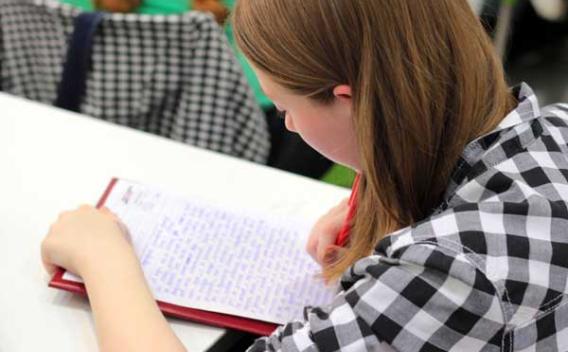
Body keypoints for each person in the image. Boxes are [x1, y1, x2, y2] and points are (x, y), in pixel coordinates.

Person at [41, 0, 568, 351]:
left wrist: (105, 258)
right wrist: (385, 192)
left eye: (285, 108)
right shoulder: (554, 130)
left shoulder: (449, 273)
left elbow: (457, 271)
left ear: (351, 101)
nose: (287, 125)